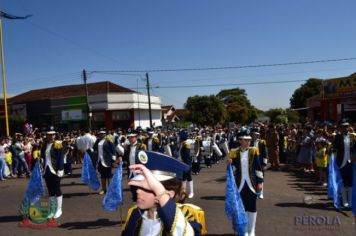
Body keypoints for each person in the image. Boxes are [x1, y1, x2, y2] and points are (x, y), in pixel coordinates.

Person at [122, 151, 205, 235]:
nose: (138, 191)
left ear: (168, 194)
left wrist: (161, 193)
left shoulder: (186, 215)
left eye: (148, 188)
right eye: (139, 186)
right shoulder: (135, 213)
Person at [228, 128, 263, 236]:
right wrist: (229, 164)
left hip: (252, 183)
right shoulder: (234, 152)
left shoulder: (254, 151)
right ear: (240, 140)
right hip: (239, 184)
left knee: (252, 206)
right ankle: (243, 230)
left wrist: (260, 182)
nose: (248, 141)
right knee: (241, 207)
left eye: (249, 139)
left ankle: (251, 230)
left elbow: (258, 168)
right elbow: (233, 170)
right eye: (246, 139)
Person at [40, 130, 64, 226]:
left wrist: (61, 169)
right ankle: (52, 210)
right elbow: (42, 156)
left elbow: (60, 157)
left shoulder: (58, 144)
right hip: (46, 170)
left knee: (57, 189)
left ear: (55, 135)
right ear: (46, 135)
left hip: (55, 170)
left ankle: (59, 209)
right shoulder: (44, 145)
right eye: (49, 134)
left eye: (53, 134)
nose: (51, 136)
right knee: (50, 191)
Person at [333, 121, 356, 208]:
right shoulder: (338, 137)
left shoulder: (352, 137)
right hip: (341, 162)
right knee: (342, 181)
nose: (345, 128)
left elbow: (354, 148)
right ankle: (344, 200)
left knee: (350, 182)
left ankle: (350, 201)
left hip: (350, 162)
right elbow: (334, 148)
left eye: (346, 127)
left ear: (349, 127)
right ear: (340, 128)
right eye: (343, 127)